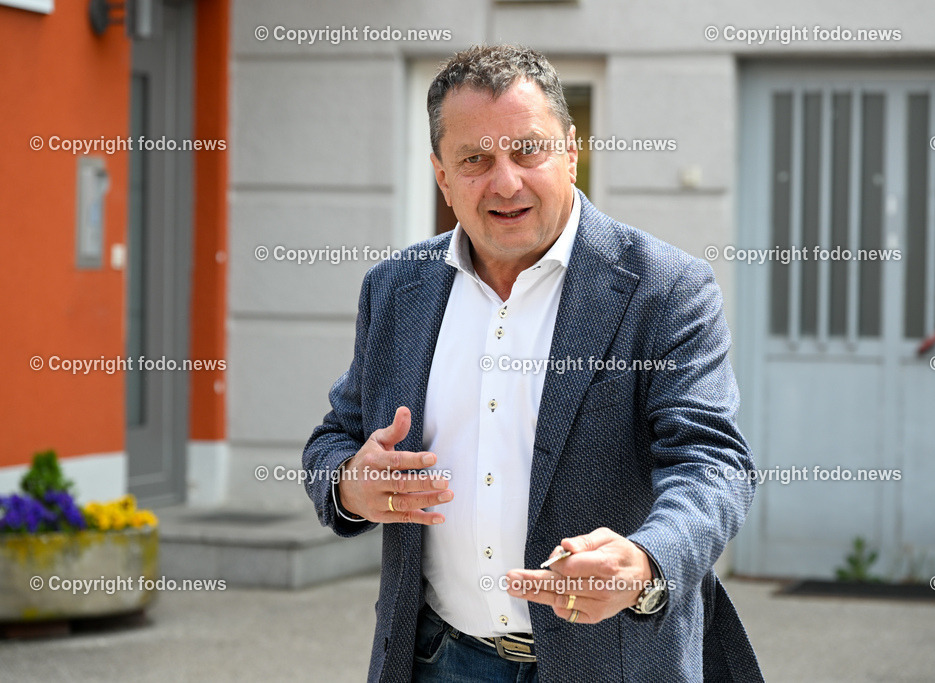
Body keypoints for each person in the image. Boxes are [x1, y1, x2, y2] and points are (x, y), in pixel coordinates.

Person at [302, 44, 762, 683]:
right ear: (441, 174)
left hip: (611, 661)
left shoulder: (663, 287)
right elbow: (334, 438)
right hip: (437, 660)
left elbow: (712, 463)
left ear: (571, 153)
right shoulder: (397, 287)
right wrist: (350, 483)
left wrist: (645, 560)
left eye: (528, 150)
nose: (506, 182)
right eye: (475, 160)